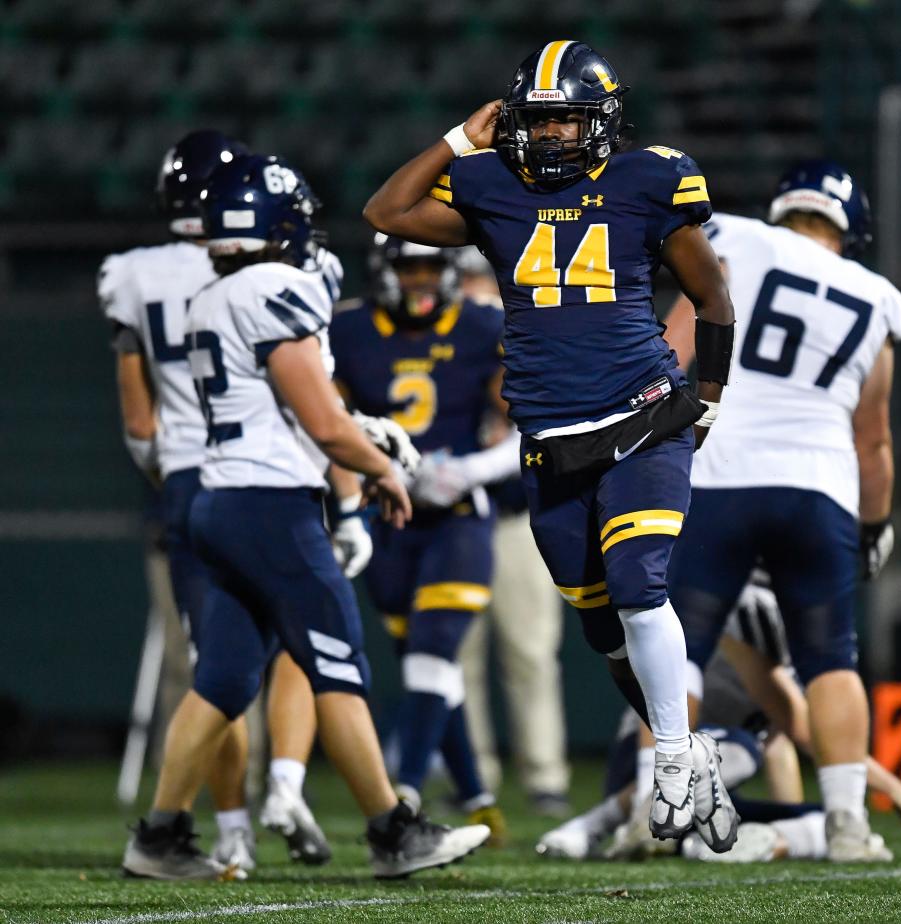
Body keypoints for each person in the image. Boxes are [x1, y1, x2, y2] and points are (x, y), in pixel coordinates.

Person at [363, 40, 738, 851]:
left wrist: (704, 401)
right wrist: (459, 142)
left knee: (641, 587)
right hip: (550, 440)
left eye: (567, 119)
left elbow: (711, 297)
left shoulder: (649, 179)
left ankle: (671, 756)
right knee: (604, 635)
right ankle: (694, 747)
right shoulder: (491, 184)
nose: (553, 136)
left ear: (601, 121)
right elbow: (386, 212)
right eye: (539, 121)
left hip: (640, 420)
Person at [121, 153, 489, 880]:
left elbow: (293, 407)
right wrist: (379, 467)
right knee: (337, 664)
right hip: (269, 504)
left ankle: (158, 835)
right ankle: (395, 833)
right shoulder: (278, 288)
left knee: (223, 676)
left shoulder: (213, 295)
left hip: (212, 500)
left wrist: (359, 433)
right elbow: (318, 420)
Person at [663, 160, 901, 861]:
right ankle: (847, 823)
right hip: (823, 485)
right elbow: (875, 438)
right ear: (851, 229)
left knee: (679, 647)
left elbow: (671, 353)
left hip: (724, 469)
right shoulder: (879, 296)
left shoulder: (735, 238)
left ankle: (668, 806)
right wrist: (873, 524)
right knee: (831, 659)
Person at [537, 573, 901, 862]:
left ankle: (760, 842)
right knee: (738, 746)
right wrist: (898, 789)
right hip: (651, 764)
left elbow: (780, 742)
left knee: (817, 818)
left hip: (709, 781)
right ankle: (595, 824)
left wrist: (789, 808)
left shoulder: (780, 615)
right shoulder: (743, 608)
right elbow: (798, 726)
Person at [330, 235, 513, 843]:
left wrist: (471, 470)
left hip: (458, 509)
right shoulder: (350, 329)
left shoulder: (485, 324)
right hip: (388, 516)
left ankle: (403, 791)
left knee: (435, 647)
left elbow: (536, 423)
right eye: (409, 266)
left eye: (432, 265)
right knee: (425, 665)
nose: (421, 279)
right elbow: (324, 420)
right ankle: (477, 794)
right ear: (386, 271)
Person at [456, 246, 571, 815]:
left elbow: (531, 426)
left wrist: (471, 467)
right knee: (459, 656)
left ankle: (545, 774)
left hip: (514, 513)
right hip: (455, 522)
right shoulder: (443, 345)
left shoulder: (532, 334)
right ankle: (473, 777)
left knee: (530, 652)